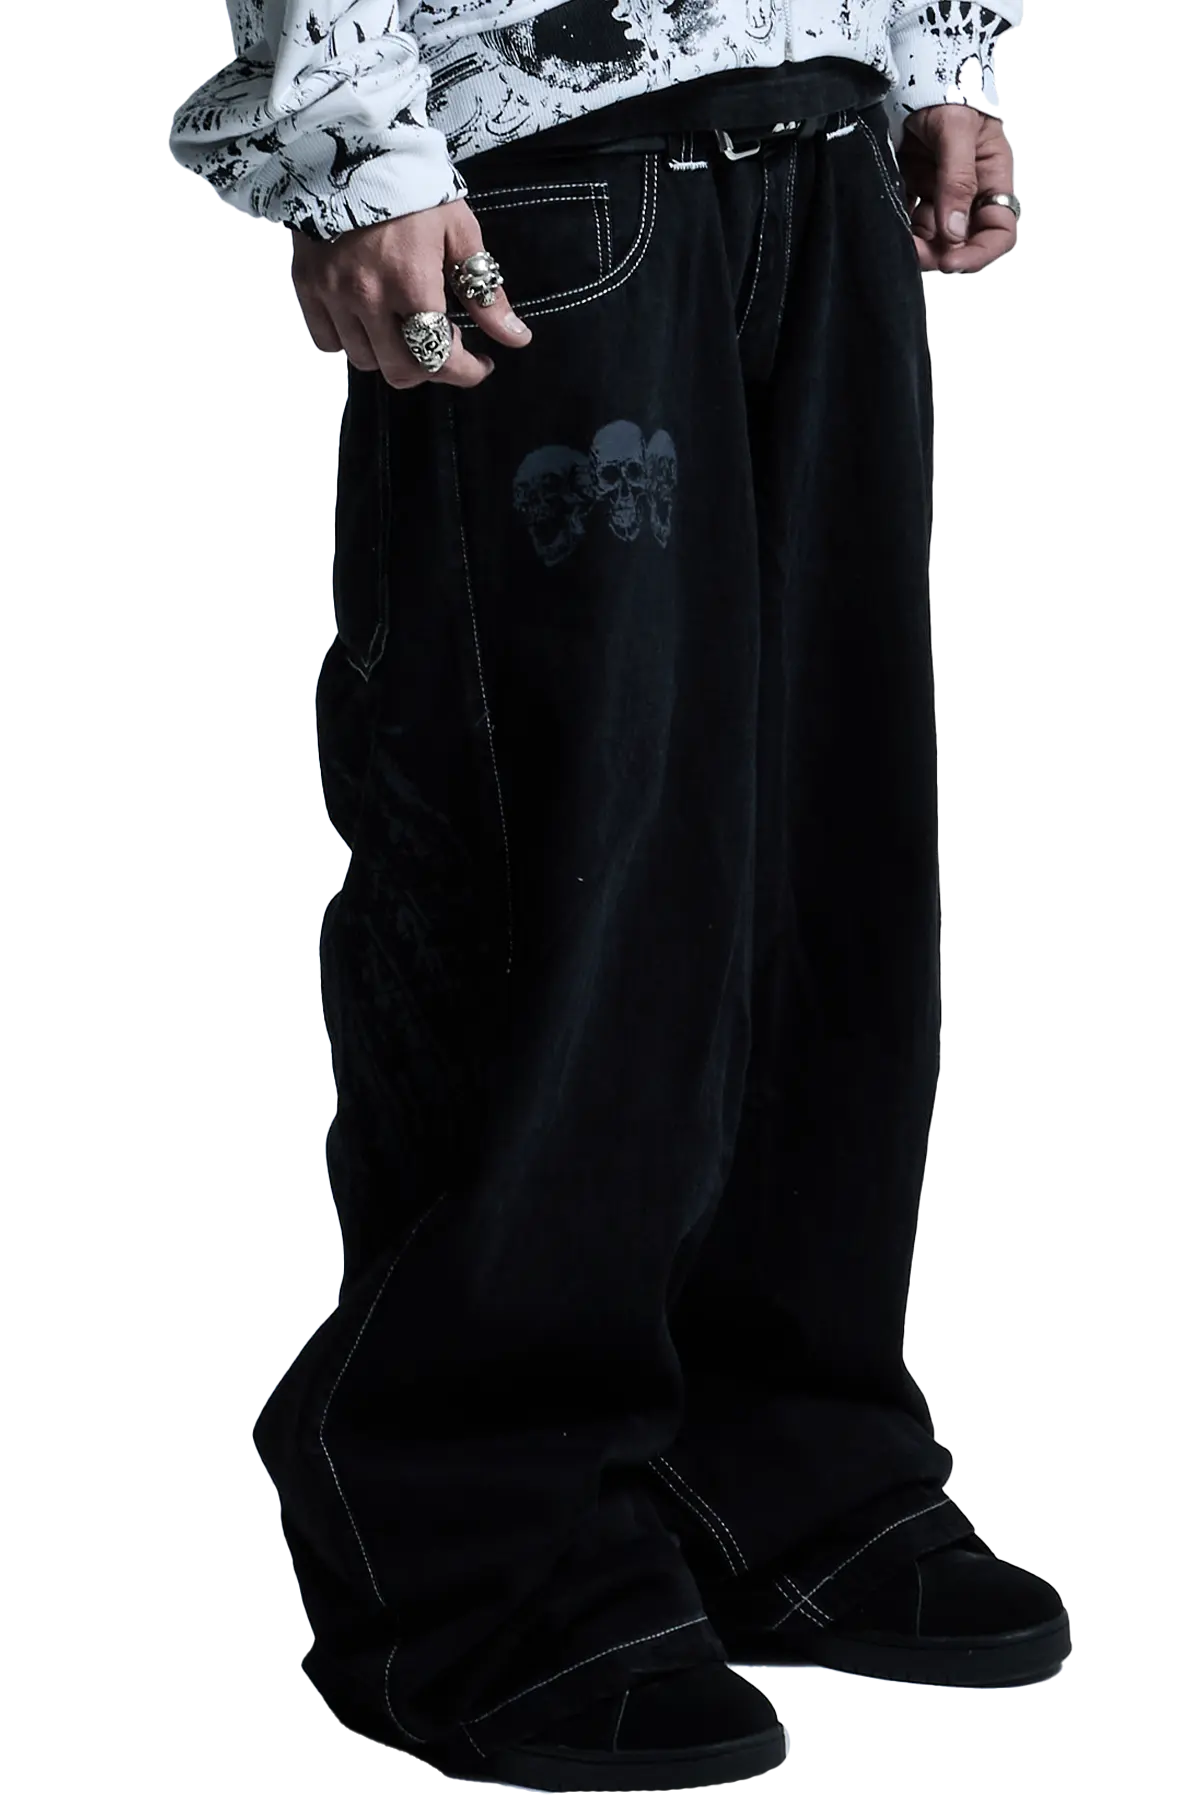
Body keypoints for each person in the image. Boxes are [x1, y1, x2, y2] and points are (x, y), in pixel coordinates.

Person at [170, 3, 1063, 1789]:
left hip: (819, 128)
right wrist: (355, 147)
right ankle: (483, 1551)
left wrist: (936, 62)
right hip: (538, 157)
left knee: (821, 854)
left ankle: (777, 1464)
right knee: (565, 858)